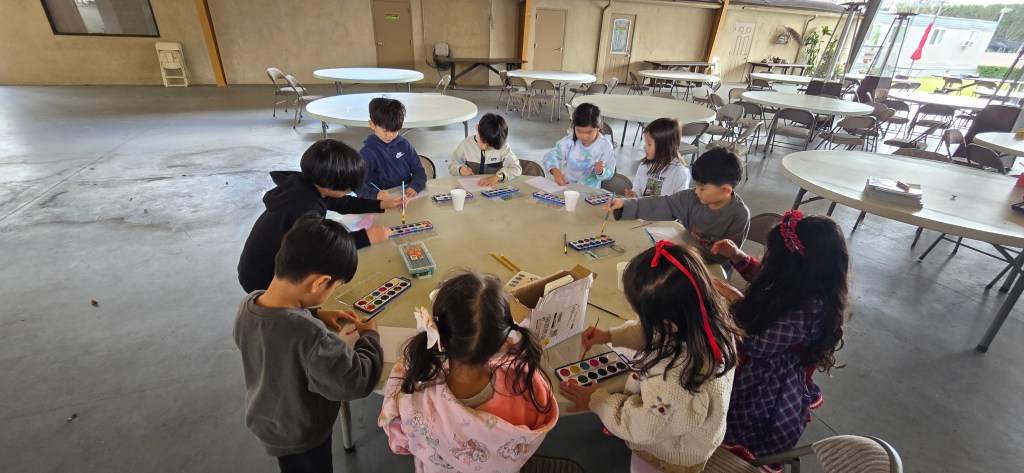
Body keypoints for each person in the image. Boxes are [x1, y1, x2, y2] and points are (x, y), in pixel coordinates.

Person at [561, 242, 742, 473]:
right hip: (682, 429)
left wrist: (598, 401)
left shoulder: (673, 380)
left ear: (667, 323)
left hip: (668, 455)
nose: (643, 322)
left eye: (643, 315)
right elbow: (653, 331)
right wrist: (610, 336)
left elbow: (642, 427)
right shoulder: (706, 319)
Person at [234, 215, 384, 473]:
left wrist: (317, 313)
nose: (333, 292)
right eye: (335, 287)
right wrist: (370, 337)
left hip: (270, 417)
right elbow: (356, 381)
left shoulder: (249, 304)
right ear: (319, 283)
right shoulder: (309, 336)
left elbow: (279, 327)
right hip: (302, 431)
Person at [710, 211, 849, 473]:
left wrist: (734, 297)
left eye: (772, 257)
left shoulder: (810, 308)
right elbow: (770, 278)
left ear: (793, 269)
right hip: (761, 366)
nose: (767, 260)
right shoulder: (803, 281)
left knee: (721, 416)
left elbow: (756, 343)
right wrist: (738, 257)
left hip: (763, 387)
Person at [379, 270, 558, 472]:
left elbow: (400, 443)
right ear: (504, 340)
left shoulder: (413, 398)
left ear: (439, 335)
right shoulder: (524, 386)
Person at [237, 139, 400, 293]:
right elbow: (321, 248)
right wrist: (366, 237)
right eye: (348, 189)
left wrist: (380, 205)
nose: (349, 192)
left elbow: (343, 203)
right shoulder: (304, 208)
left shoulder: (306, 184)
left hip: (257, 265)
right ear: (330, 186)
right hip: (265, 279)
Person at [604, 148, 750, 266]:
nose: (696, 191)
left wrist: (683, 253)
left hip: (711, 268)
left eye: (702, 188)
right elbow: (661, 204)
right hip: (684, 256)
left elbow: (723, 258)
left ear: (725, 190)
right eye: (696, 185)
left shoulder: (739, 215)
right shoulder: (691, 197)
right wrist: (625, 204)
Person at [355, 97, 427, 199]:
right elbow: (358, 185)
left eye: (394, 131)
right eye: (385, 130)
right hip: (383, 201)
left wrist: (415, 185)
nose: (390, 135)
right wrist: (375, 195)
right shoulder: (367, 153)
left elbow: (419, 170)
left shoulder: (404, 144)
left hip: (407, 198)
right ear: (372, 124)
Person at [542, 103, 616, 188]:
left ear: (599, 127)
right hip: (567, 187)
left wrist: (601, 171)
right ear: (574, 127)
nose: (584, 136)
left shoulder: (605, 146)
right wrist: (555, 171)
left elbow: (610, 172)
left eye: (589, 132)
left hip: (590, 191)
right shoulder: (569, 141)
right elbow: (550, 156)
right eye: (579, 131)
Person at [449, 113, 522, 186]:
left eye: (490, 146)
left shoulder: (503, 147)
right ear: (477, 128)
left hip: (494, 188)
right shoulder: (465, 145)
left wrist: (498, 176)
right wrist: (460, 169)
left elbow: (516, 168)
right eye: (483, 141)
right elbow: (452, 165)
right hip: (470, 187)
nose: (484, 147)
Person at [627, 118, 691, 197]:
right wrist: (634, 195)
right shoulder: (644, 165)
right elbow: (637, 188)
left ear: (665, 146)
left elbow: (681, 201)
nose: (644, 147)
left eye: (649, 144)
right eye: (645, 142)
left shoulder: (680, 171)